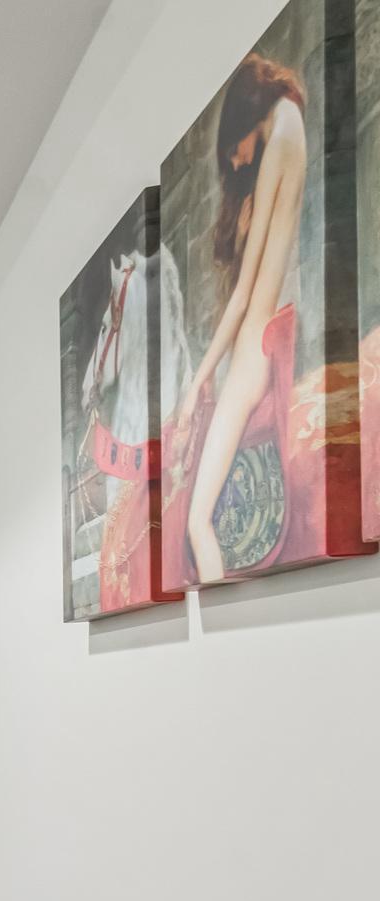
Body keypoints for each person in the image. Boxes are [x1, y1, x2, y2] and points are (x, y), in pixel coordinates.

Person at [171, 53, 306, 584]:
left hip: (251, 353)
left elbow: (243, 297)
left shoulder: (278, 143)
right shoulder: (291, 130)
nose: (233, 162)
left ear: (245, 115)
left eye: (232, 148)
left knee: (198, 521)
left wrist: (197, 382)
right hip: (263, 344)